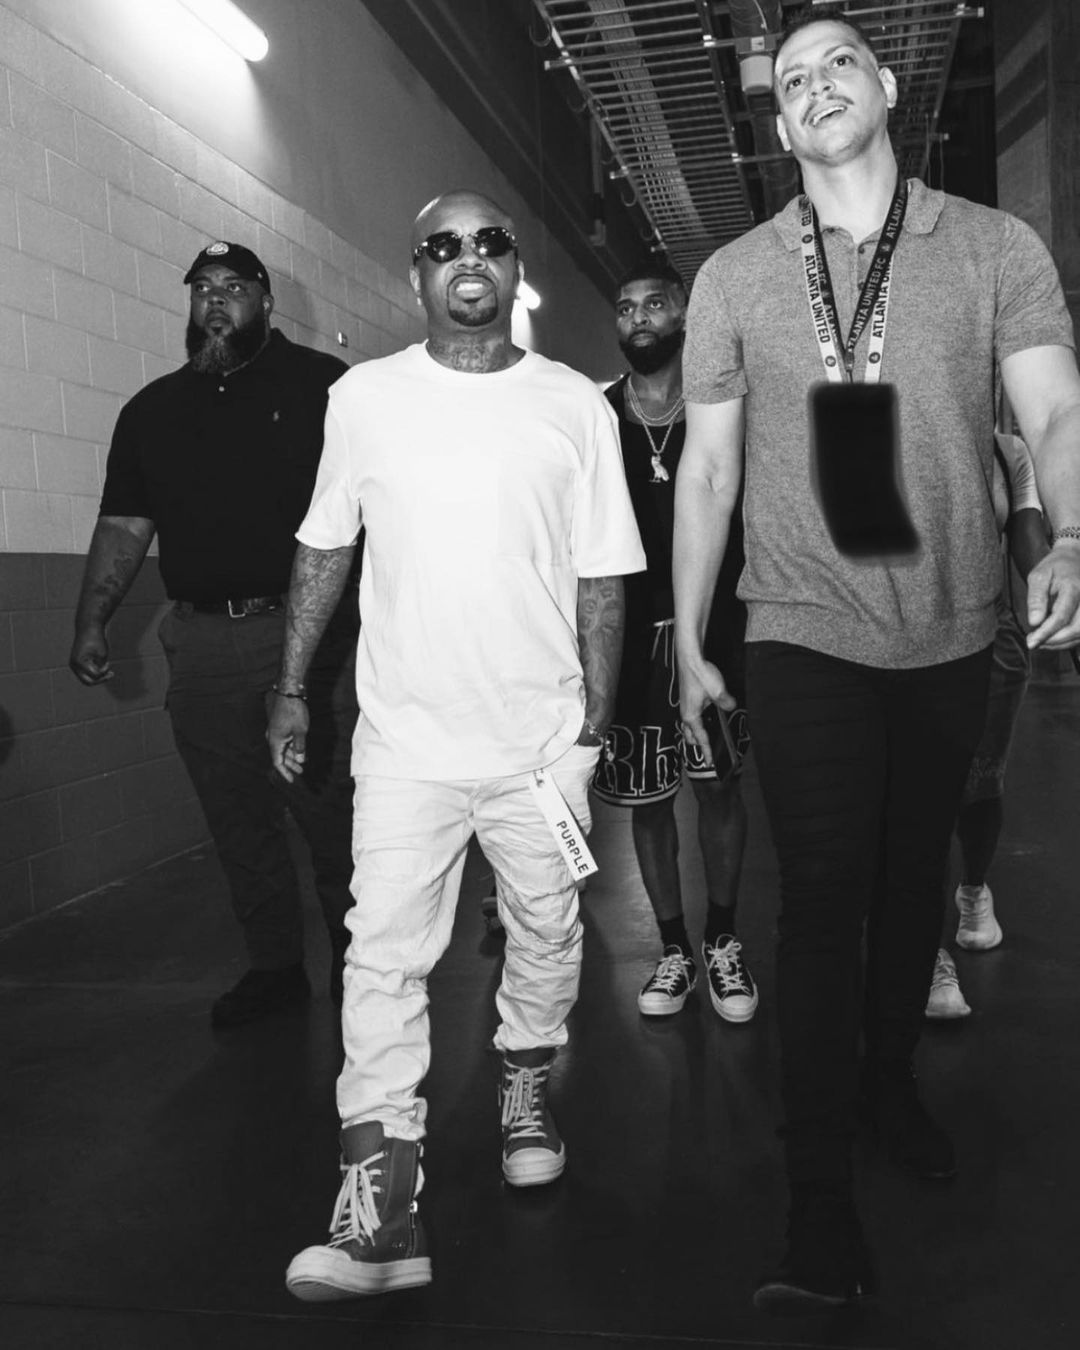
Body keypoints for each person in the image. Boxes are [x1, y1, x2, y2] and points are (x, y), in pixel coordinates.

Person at [673, 3, 1080, 1314]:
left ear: (888, 87)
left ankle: (889, 1081)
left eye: (839, 60)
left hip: (953, 624)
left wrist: (1073, 534)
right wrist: (689, 637)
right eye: (791, 78)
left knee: (913, 887)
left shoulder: (996, 246)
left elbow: (1055, 407)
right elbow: (710, 471)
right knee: (823, 893)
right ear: (779, 123)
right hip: (800, 626)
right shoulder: (735, 276)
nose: (816, 85)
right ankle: (816, 1204)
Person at [267, 190, 645, 1300]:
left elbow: (602, 576)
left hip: (539, 747)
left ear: (515, 269)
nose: (467, 258)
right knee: (381, 956)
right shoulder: (364, 399)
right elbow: (325, 547)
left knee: (548, 931)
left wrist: (594, 723)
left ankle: (526, 1085)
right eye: (443, 246)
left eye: (488, 243)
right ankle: (381, 1212)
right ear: (416, 274)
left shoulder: (573, 405)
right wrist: (290, 687)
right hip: (405, 745)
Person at [69, 241, 358, 1029]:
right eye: (203, 288)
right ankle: (275, 967)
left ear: (266, 300)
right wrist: (92, 618)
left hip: (307, 639)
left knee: (329, 813)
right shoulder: (153, 411)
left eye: (234, 286)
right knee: (236, 818)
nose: (216, 299)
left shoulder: (326, 388)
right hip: (200, 644)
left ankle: (359, 962)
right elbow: (125, 524)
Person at [592, 261, 755, 1022]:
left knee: (718, 785)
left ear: (684, 313)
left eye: (655, 303)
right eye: (626, 308)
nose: (639, 318)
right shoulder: (598, 417)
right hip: (628, 638)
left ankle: (722, 938)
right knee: (648, 800)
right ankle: (673, 949)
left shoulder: (721, 410)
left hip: (715, 626)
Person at [926, 430, 1048, 1018]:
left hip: (989, 630)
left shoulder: (1009, 452)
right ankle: (927, 953)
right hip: (907, 631)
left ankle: (973, 889)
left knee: (980, 784)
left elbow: (1026, 534)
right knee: (916, 800)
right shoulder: (891, 425)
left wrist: (1058, 583)